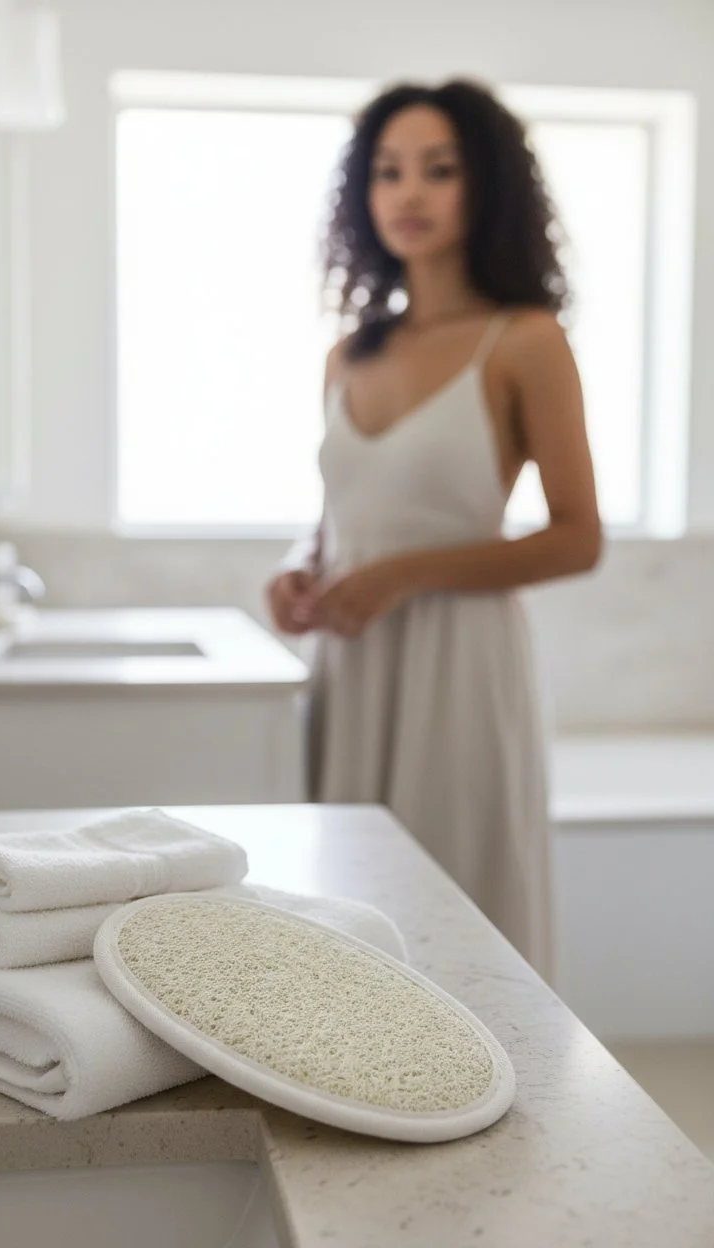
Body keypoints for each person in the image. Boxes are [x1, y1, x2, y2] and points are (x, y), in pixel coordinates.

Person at [266, 79, 602, 981]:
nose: (408, 193)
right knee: (344, 922)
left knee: (461, 928)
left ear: (484, 186)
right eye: (387, 172)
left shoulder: (525, 341)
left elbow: (578, 537)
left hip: (459, 669)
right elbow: (338, 519)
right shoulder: (350, 354)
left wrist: (405, 575)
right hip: (352, 667)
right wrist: (301, 571)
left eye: (438, 169)